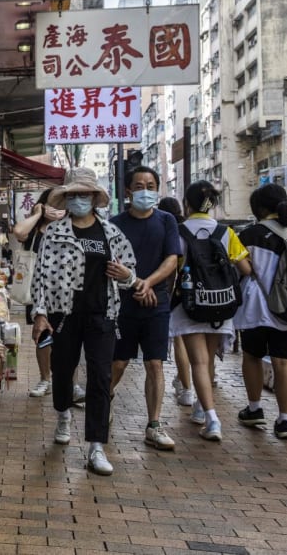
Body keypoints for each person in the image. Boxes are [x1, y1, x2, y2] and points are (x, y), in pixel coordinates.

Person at [30, 167, 138, 476]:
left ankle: (96, 446)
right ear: (66, 198)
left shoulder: (111, 232)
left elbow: (130, 271)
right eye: (74, 194)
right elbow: (40, 276)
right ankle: (63, 415)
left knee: (100, 377)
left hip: (102, 313)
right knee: (63, 370)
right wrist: (40, 313)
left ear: (94, 197)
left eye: (85, 194)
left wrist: (127, 276)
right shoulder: (54, 232)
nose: (79, 199)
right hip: (63, 314)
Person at [169, 180, 252, 442]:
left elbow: (173, 268)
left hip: (190, 305)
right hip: (221, 304)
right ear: (212, 204)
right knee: (209, 360)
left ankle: (212, 418)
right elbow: (246, 269)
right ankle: (200, 409)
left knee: (199, 362)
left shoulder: (179, 231)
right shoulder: (226, 232)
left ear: (187, 203)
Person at [110, 167, 181, 451]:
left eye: (150, 185)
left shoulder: (166, 221)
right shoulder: (115, 223)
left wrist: (149, 283)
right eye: (139, 185)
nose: (145, 190)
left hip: (157, 302)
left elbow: (172, 259)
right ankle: (106, 399)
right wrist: (137, 285)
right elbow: (112, 265)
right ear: (128, 191)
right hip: (123, 303)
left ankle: (154, 424)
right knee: (118, 363)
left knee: (155, 363)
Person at [234, 184, 287, 439]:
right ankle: (285, 421)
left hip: (258, 308)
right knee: (285, 362)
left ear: (260, 209)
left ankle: (254, 409)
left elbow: (243, 269)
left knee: (252, 356)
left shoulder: (251, 234)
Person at [13, 192, 87, 402]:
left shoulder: (72, 228)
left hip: (67, 291)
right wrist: (37, 215)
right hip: (38, 291)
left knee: (70, 339)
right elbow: (19, 231)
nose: (57, 209)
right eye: (52, 204)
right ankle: (45, 379)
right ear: (43, 205)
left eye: (62, 205)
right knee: (43, 338)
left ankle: (71, 385)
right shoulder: (35, 231)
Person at [158, 196, 195, 407]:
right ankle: (202, 380)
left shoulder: (171, 230)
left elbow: (171, 266)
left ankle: (186, 388)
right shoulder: (192, 228)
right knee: (201, 342)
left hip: (180, 293)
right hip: (203, 293)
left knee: (180, 340)